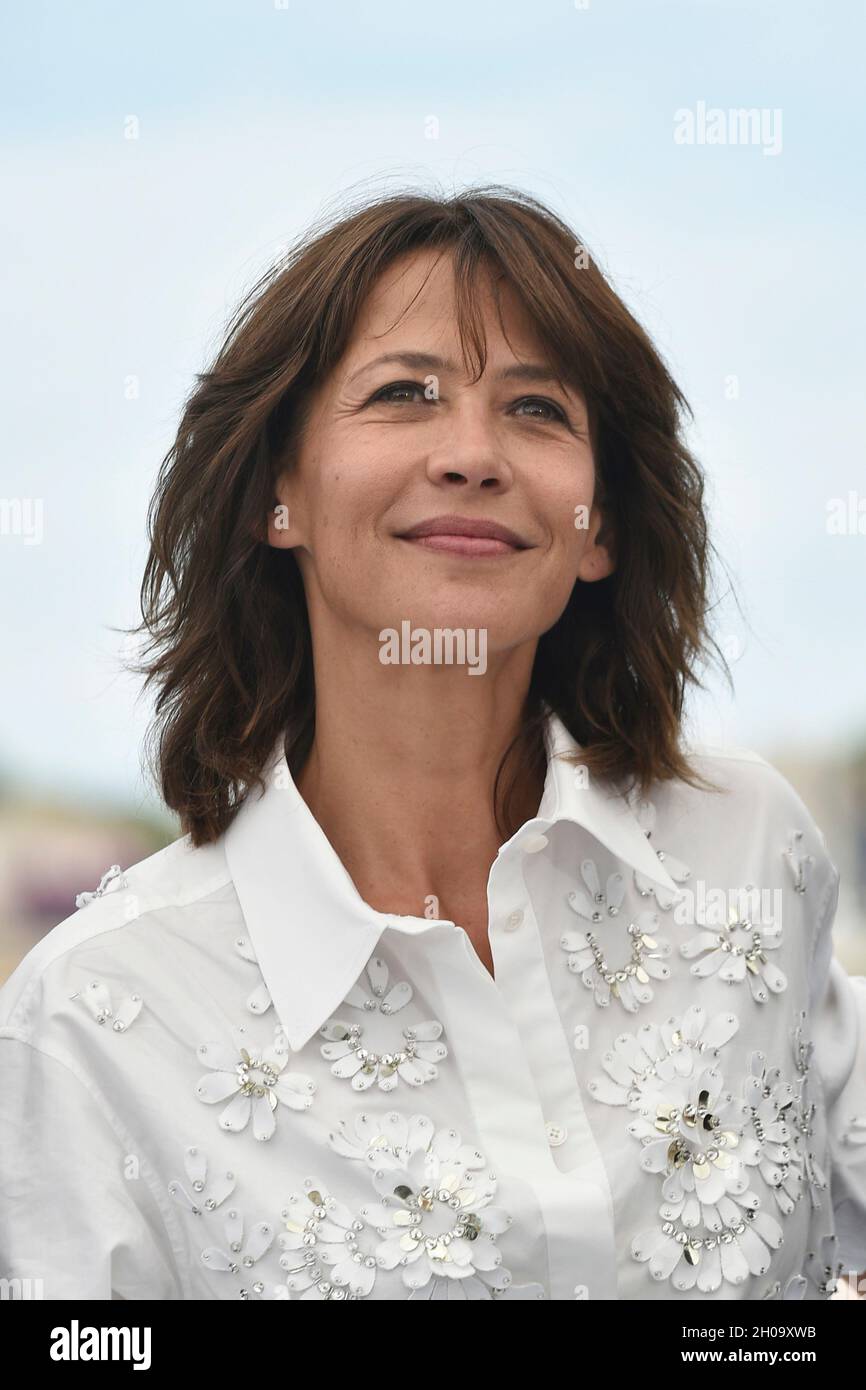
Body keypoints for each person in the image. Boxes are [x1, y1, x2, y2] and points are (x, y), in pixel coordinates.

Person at [1, 187, 864, 1301]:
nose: (471, 453)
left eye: (538, 409)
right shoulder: (95, 1018)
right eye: (403, 393)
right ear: (278, 493)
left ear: (596, 525)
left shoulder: (750, 851)